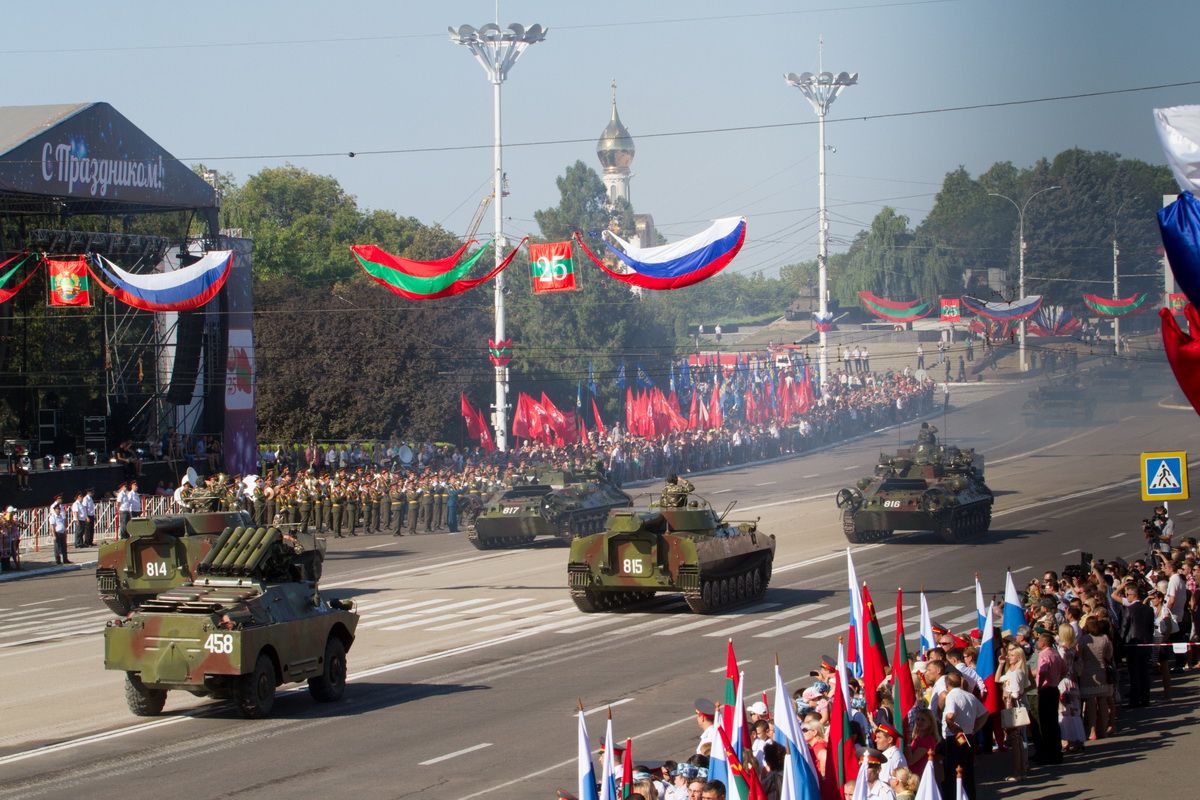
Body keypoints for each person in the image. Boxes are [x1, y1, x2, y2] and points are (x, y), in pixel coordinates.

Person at [938, 670, 987, 800]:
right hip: (968, 735)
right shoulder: (969, 696)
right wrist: (975, 728)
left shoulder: (952, 696)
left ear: (947, 684)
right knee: (968, 771)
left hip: (955, 737)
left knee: (953, 772)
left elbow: (950, 715)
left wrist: (951, 725)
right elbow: (984, 713)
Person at [1034, 630, 1065, 764]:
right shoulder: (1056, 653)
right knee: (1053, 722)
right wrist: (1057, 679)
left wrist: (1039, 686)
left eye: (1039, 640)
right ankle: (1056, 752)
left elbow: (1043, 671)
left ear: (1044, 642)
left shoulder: (1044, 654)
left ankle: (1048, 754)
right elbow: (1064, 669)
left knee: (1045, 723)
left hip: (1046, 690)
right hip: (1054, 688)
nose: (1037, 642)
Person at [48, 495, 69, 565]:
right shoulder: (53, 517)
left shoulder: (61, 516)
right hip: (57, 533)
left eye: (59, 509)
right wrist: (53, 534)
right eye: (57, 509)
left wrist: (65, 530)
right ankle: (58, 561)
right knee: (57, 548)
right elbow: (52, 526)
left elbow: (63, 523)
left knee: (64, 546)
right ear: (54, 510)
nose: (58, 510)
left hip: (62, 532)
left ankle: (65, 559)